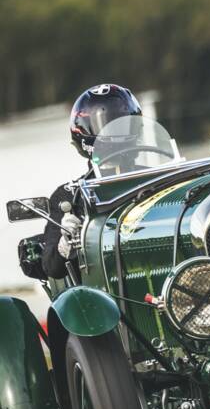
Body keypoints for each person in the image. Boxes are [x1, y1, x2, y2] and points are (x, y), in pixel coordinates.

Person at [41, 84, 142, 279]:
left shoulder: (157, 178)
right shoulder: (69, 196)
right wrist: (66, 242)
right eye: (106, 125)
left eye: (120, 124)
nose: (113, 132)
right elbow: (51, 267)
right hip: (99, 293)